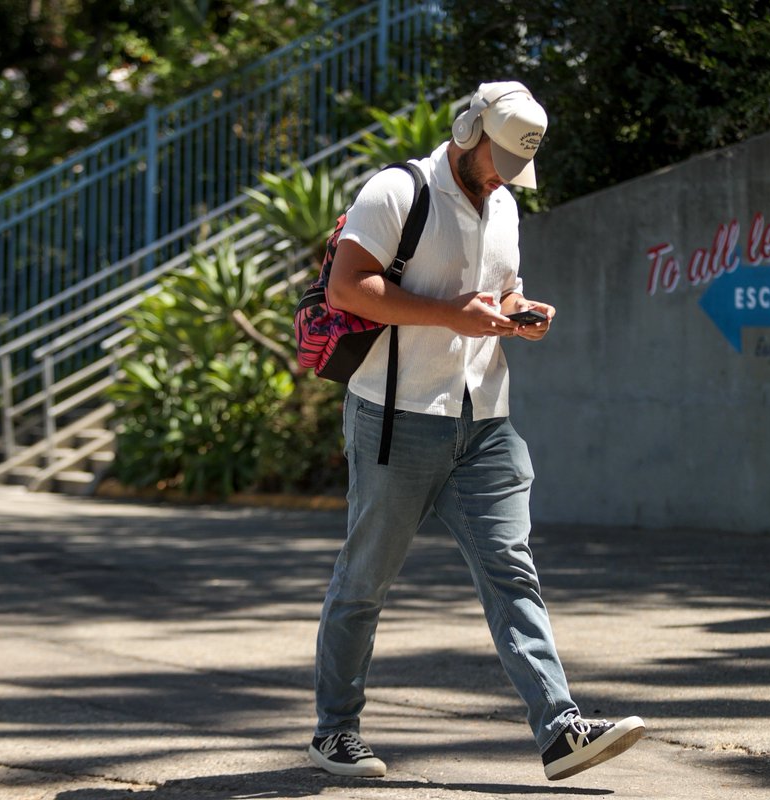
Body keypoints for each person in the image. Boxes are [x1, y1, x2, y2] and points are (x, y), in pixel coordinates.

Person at [307, 80, 645, 782]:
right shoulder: (397, 191)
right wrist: (452, 315)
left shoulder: (505, 203)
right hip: (395, 419)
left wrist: (520, 311)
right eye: (499, 161)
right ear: (469, 132)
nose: (504, 178)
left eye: (517, 168)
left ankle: (560, 730)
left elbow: (501, 286)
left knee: (512, 573)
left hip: (485, 421)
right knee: (365, 582)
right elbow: (347, 286)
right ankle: (335, 732)